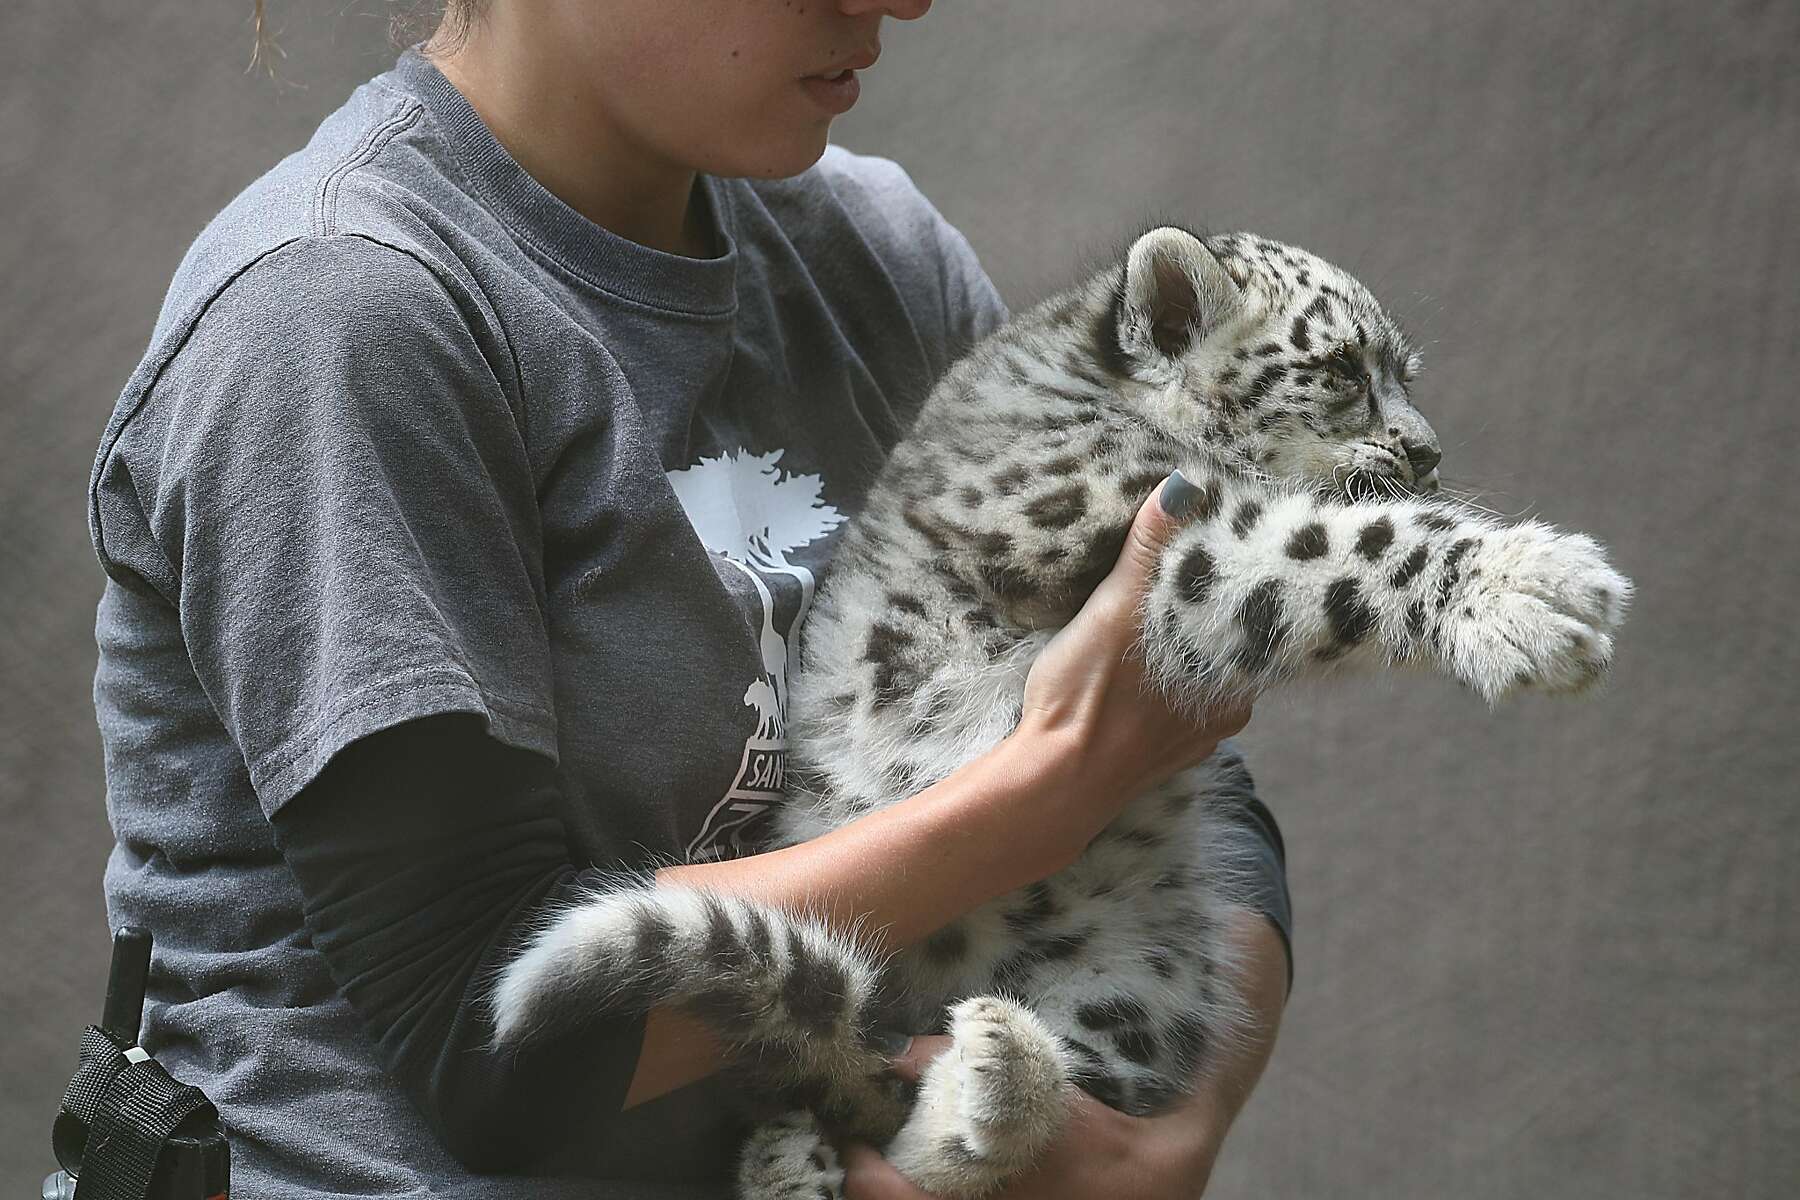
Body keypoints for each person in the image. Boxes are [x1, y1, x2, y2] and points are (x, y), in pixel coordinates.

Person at [87, 2, 1293, 1196]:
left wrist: (1161, 1135)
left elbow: (1176, 777)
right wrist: (1041, 800)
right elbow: (498, 1037)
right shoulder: (341, 313)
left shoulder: (879, 259)